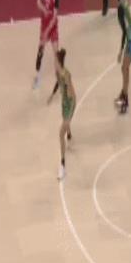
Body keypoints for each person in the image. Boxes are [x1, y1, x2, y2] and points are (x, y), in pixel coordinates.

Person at [47, 48, 76, 180]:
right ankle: (69, 135)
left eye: (55, 61)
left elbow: (72, 96)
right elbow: (57, 84)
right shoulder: (58, 73)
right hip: (64, 104)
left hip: (70, 104)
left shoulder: (66, 76)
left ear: (59, 63)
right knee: (65, 125)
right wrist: (52, 95)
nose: (54, 63)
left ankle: (63, 166)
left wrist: (70, 114)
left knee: (60, 134)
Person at [33, 0, 60, 89]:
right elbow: (38, 2)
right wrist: (44, 10)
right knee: (40, 51)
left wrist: (47, 31)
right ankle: (37, 77)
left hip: (52, 26)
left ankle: (58, 80)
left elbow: (54, 16)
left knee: (56, 53)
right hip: (44, 24)